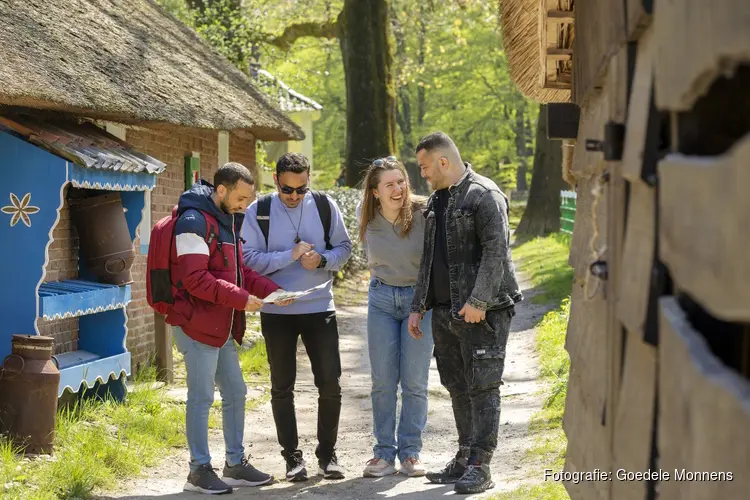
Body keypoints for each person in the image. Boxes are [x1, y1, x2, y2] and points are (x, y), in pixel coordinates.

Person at [164, 162, 294, 495]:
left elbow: (239, 274)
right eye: (240, 198)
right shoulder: (192, 222)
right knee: (201, 397)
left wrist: (271, 291)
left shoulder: (228, 221)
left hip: (220, 326)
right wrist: (240, 299)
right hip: (195, 325)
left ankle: (234, 465)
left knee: (236, 393)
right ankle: (198, 470)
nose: (245, 205)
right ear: (221, 191)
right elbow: (194, 279)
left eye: (249, 199)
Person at [408, 132, 523, 495]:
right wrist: (418, 306)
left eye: (425, 167)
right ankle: (463, 456)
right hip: (444, 313)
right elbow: (430, 259)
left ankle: (480, 465)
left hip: (483, 313)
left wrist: (479, 301)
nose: (423, 175)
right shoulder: (436, 200)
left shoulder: (484, 195)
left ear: (443, 162)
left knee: (483, 387)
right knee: (456, 387)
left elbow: (496, 252)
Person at [241, 152, 353, 482]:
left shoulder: (324, 205)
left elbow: (344, 249)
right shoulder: (258, 211)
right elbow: (247, 261)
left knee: (330, 382)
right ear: (275, 181)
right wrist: (288, 256)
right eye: (288, 190)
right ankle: (292, 458)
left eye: (301, 189)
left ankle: (327, 454)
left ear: (309, 180)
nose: (294, 197)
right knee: (281, 387)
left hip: (320, 307)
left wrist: (321, 260)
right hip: (277, 310)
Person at [356, 156, 434, 479]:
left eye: (400, 181)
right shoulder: (368, 218)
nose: (398, 188)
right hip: (382, 300)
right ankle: (383, 454)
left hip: (420, 302)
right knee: (383, 381)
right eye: (389, 184)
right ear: (375, 192)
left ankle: (411, 453)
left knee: (414, 381)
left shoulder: (424, 213)